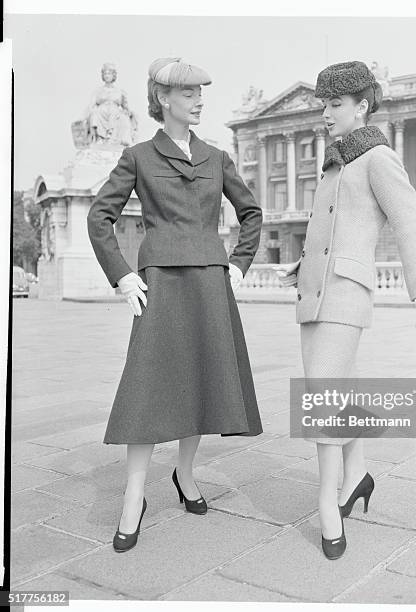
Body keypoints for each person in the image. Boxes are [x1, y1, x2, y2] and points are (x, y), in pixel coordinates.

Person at [87, 57, 263, 553]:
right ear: (163, 98)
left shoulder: (217, 157)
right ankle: (134, 495)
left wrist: (238, 263)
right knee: (147, 387)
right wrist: (122, 275)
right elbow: (101, 217)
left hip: (210, 281)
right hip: (160, 282)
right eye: (189, 94)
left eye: (201, 93)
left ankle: (185, 475)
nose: (199, 100)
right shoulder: (139, 156)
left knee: (202, 380)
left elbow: (251, 212)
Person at [276, 61, 416, 560]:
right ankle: (358, 476)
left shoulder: (377, 158)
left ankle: (327, 503)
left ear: (361, 106)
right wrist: (300, 267)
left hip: (345, 295)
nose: (324, 114)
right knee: (340, 391)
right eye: (323, 104)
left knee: (321, 395)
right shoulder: (336, 162)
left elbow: (409, 219)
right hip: (314, 295)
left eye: (334, 104)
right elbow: (328, 228)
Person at [87, 62, 137, 146]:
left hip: (115, 112)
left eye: (109, 73)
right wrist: (91, 111)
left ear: (113, 75)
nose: (107, 76)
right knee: (95, 114)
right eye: (105, 73)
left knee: (120, 116)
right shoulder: (98, 91)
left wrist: (129, 112)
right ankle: (100, 138)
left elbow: (126, 106)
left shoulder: (120, 91)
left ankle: (113, 138)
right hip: (101, 112)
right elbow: (91, 105)